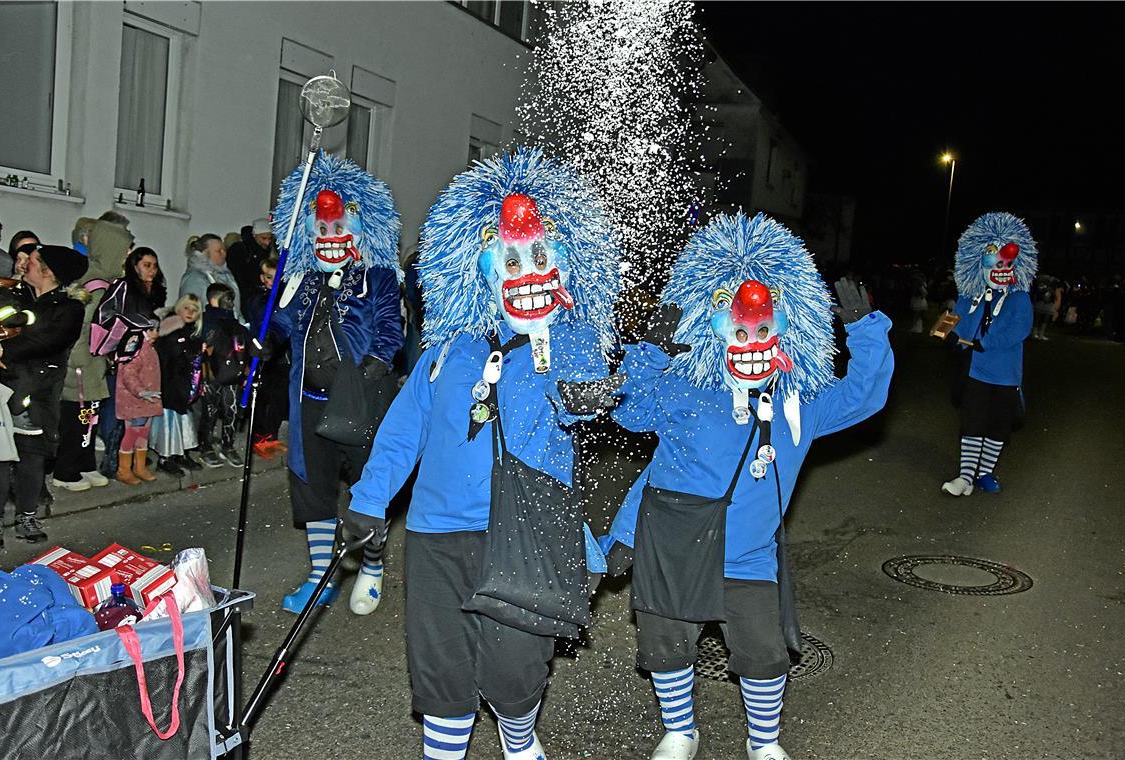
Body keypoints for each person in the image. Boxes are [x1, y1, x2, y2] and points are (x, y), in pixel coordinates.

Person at [345, 147, 622, 760]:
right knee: (441, 667)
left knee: (516, 668)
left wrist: (589, 386)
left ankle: (518, 737)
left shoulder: (569, 346)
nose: (527, 271)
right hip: (439, 534)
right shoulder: (446, 352)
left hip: (526, 534)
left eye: (540, 257)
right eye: (511, 258)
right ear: (480, 269)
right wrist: (368, 500)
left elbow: (591, 398)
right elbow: (402, 431)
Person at [602, 212, 894, 760]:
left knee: (762, 652)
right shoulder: (686, 391)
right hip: (675, 546)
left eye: (764, 330)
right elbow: (633, 416)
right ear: (714, 332)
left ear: (788, 328)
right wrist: (651, 354)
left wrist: (867, 331)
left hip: (749, 557)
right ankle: (680, 731)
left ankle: (765, 743)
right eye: (740, 331)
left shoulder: (798, 403)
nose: (752, 342)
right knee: (667, 642)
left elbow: (864, 396)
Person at [262, 153, 404, 616]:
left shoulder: (379, 277)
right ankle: (321, 575)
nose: (329, 237)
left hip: (359, 400)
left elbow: (390, 328)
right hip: (308, 404)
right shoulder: (300, 280)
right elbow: (279, 324)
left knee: (368, 486)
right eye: (320, 230)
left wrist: (376, 366)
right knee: (312, 488)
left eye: (337, 227)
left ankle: (373, 564)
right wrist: (262, 339)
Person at [0, 245, 89, 544]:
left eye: (33, 262)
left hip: (40, 391)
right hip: (3, 385)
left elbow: (50, 340)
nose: (24, 266)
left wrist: (3, 349)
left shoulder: (69, 308)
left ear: (48, 272)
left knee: (31, 456)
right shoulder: (14, 295)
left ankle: (27, 515)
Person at [938, 212, 1037, 496]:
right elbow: (960, 323)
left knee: (997, 427)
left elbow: (1020, 329)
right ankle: (965, 476)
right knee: (972, 423)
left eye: (1008, 263)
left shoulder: (1019, 298)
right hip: (976, 372)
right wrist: (954, 337)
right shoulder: (971, 296)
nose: (1001, 268)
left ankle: (985, 473)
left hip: (1006, 375)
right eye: (994, 261)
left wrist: (985, 342)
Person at [53, 236, 154, 491]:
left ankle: (85, 464)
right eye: (124, 251)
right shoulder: (95, 284)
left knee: (90, 417)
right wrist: (80, 360)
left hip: (95, 361)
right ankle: (66, 470)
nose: (127, 256)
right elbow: (82, 327)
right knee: (78, 418)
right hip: (82, 365)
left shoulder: (108, 282)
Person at [150, 294, 205, 476]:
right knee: (170, 423)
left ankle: (181, 453)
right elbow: (168, 360)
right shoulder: (170, 331)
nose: (190, 312)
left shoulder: (192, 333)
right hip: (171, 385)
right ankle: (166, 458)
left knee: (185, 422)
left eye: (195, 310)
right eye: (187, 308)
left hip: (185, 386)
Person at [197, 283, 248, 468]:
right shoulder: (205, 321)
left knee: (231, 412)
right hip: (211, 374)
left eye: (231, 300)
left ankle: (228, 445)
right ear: (213, 300)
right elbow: (199, 346)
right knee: (209, 413)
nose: (230, 304)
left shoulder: (234, 323)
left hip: (232, 374)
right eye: (227, 299)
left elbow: (244, 345)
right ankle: (206, 446)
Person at [245, 257, 289, 458]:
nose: (272, 281)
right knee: (264, 399)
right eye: (268, 277)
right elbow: (264, 317)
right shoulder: (258, 298)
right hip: (263, 355)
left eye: (276, 277)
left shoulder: (283, 296)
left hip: (280, 357)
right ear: (262, 278)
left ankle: (271, 435)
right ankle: (259, 438)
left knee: (278, 399)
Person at [113, 329, 163, 485]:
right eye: (155, 329)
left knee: (142, 434)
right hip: (136, 401)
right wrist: (141, 392)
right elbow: (129, 374)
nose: (158, 332)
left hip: (146, 400)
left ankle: (139, 467)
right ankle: (124, 470)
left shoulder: (147, 346)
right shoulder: (136, 347)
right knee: (132, 434)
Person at [179, 233, 244, 325]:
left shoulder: (227, 275)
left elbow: (236, 309)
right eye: (219, 251)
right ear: (205, 254)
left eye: (224, 250)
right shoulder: (194, 278)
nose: (224, 254)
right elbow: (190, 313)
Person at [226, 217, 275, 305]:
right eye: (263, 238)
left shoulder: (269, 250)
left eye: (270, 238)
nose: (267, 242)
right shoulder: (239, 250)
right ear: (254, 235)